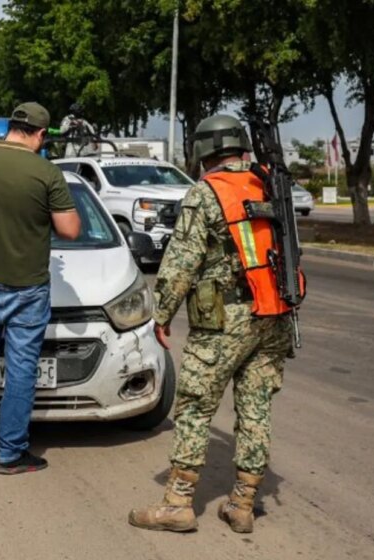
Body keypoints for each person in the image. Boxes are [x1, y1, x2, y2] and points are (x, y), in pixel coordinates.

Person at [128, 114, 300, 534]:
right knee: (256, 409)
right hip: (274, 314)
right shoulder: (269, 183)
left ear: (202, 150)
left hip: (224, 321)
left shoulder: (206, 193)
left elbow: (181, 263)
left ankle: (178, 503)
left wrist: (162, 315)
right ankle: (242, 503)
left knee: (194, 408)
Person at [0, 102, 82, 474]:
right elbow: (70, 230)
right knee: (22, 368)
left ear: (10, 128)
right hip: (28, 287)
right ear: (40, 134)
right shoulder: (46, 172)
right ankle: (10, 453)